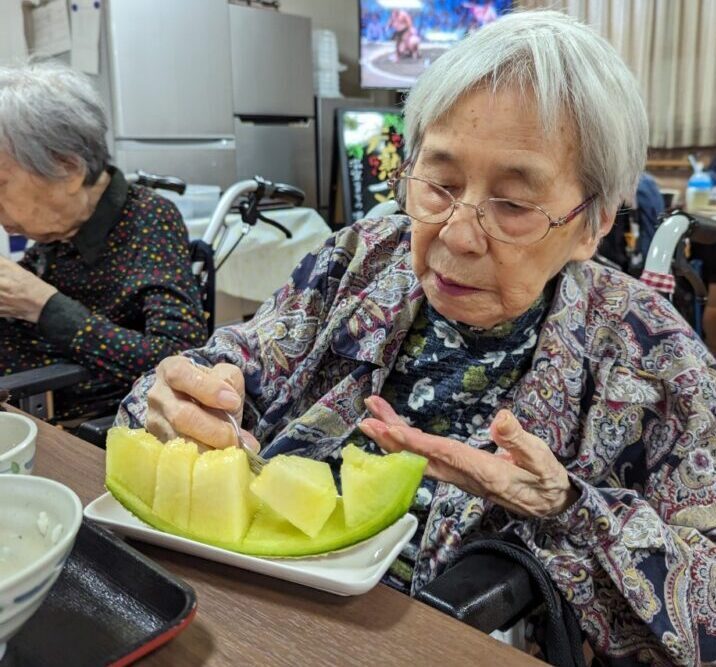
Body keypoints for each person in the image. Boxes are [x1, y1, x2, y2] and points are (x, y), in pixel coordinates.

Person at [118, 11, 716, 665]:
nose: (457, 234)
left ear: (591, 223)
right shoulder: (362, 260)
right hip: (242, 613)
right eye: (440, 183)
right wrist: (183, 392)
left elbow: (706, 607)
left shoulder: (658, 360)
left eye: (513, 205)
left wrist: (569, 505)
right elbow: (242, 357)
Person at [0, 62, 206, 419]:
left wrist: (46, 306)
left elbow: (180, 359)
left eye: (0, 184)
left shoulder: (148, 220)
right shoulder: (57, 231)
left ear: (68, 169)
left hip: (79, 426)